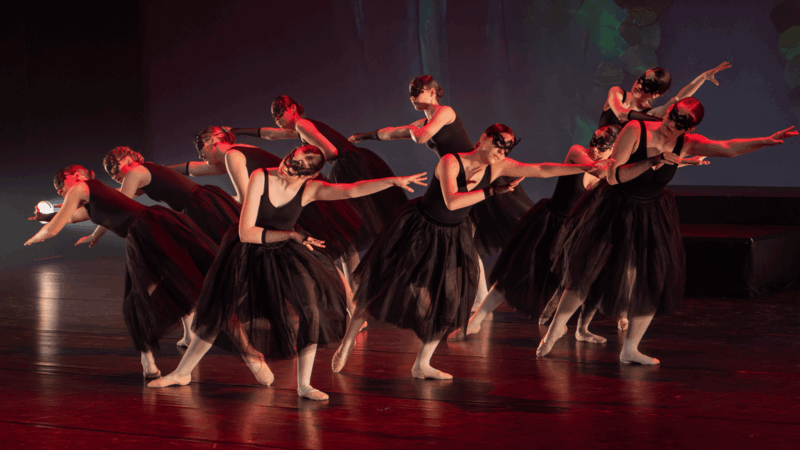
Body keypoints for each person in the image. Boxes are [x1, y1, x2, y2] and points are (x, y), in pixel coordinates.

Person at [148, 145, 427, 400]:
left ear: (310, 175)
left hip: (287, 250)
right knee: (220, 309)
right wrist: (292, 236)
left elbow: (351, 189)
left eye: (295, 168)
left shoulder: (310, 189)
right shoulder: (261, 177)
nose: (285, 167)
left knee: (311, 310)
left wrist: (392, 182)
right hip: (248, 250)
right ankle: (182, 373)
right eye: (288, 160)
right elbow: (247, 233)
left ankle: (304, 384)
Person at [332, 124, 610, 380]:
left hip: (450, 236)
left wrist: (585, 168)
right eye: (498, 144)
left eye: (507, 148)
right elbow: (452, 201)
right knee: (379, 289)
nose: (502, 151)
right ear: (481, 140)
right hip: (418, 229)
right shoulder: (451, 161)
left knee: (447, 300)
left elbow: (541, 169)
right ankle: (347, 343)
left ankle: (422, 363)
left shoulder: (499, 166)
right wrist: (492, 192)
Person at [537, 98, 797, 365]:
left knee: (651, 278)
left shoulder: (686, 142)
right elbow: (615, 177)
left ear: (690, 127)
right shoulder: (636, 129)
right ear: (670, 110)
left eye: (683, 122)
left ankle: (630, 349)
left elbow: (727, 148)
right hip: (613, 206)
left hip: (650, 212)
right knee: (587, 267)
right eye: (674, 115)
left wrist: (766, 140)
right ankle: (557, 327)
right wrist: (653, 160)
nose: (673, 124)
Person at [25, 165, 218, 378]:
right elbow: (70, 217)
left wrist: (38, 236)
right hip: (146, 231)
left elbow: (55, 227)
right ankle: (171, 348)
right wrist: (46, 217)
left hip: (148, 228)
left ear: (77, 175)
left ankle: (151, 362)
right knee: (167, 285)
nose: (59, 191)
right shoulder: (93, 197)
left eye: (60, 184)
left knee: (141, 298)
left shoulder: (82, 187)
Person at [456, 125, 632, 343]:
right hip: (548, 224)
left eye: (602, 147)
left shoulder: (608, 173)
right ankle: (475, 321)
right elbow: (599, 171)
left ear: (614, 148)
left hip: (573, 231)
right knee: (514, 272)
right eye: (593, 143)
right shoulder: (578, 153)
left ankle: (582, 328)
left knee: (583, 280)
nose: (595, 149)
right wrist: (625, 167)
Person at [348, 75, 535, 258]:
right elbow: (390, 133)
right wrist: (363, 136)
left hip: (474, 172)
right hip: (456, 176)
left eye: (416, 92)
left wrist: (412, 130)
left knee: (498, 225)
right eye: (410, 93)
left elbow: (421, 137)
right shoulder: (422, 124)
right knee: (465, 237)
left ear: (431, 92)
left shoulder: (445, 112)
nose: (412, 97)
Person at [228, 95, 409, 276]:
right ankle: (358, 279)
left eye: (279, 112)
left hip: (350, 166)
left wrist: (310, 165)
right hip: (349, 164)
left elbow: (332, 151)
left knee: (353, 223)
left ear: (292, 109)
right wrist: (238, 131)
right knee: (348, 226)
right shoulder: (299, 128)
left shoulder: (302, 125)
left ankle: (380, 272)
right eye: (274, 115)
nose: (276, 118)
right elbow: (271, 134)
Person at [168, 126, 361, 263]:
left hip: (293, 204)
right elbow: (194, 169)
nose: (199, 155)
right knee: (334, 256)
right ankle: (354, 309)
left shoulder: (232, 156)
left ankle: (354, 308)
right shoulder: (242, 151)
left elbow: (244, 199)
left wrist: (218, 203)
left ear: (211, 140)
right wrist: (157, 170)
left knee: (319, 258)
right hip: (298, 198)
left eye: (200, 147)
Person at [96, 146, 240, 246]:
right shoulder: (145, 168)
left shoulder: (135, 173)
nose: (113, 176)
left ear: (127, 160)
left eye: (114, 168)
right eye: (109, 172)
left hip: (199, 207)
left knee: (219, 249)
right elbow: (120, 195)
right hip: (202, 201)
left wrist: (96, 233)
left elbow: (119, 206)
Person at [599, 62, 731, 127]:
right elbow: (621, 114)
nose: (639, 85)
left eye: (647, 85)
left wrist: (702, 78)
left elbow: (678, 98)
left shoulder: (650, 113)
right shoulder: (617, 92)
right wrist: (658, 121)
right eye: (640, 79)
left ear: (656, 94)